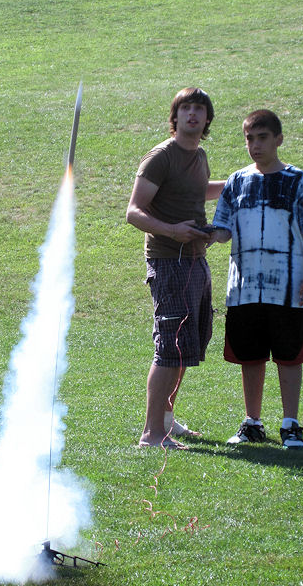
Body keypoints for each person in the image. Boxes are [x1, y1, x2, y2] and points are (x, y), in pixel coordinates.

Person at [211, 109, 303, 449]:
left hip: (288, 286)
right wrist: (197, 232)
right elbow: (222, 231)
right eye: (249, 139)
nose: (255, 145)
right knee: (250, 356)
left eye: (262, 138)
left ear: (278, 139)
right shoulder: (236, 181)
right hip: (243, 289)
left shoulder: (297, 180)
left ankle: (291, 425)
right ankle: (252, 423)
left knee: (289, 355)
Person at [126, 87, 225, 449]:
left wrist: (235, 183)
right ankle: (152, 434)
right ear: (176, 116)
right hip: (168, 261)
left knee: (186, 346)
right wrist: (172, 231)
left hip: (196, 259)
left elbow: (196, 192)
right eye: (186, 108)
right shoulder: (161, 157)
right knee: (169, 347)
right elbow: (133, 212)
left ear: (207, 119)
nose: (192, 114)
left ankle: (167, 420)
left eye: (199, 109)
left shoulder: (199, 156)